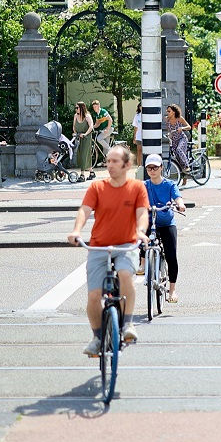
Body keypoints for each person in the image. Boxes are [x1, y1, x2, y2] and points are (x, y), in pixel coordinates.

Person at [66, 145, 149, 354]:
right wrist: (76, 230)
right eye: (108, 161)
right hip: (99, 246)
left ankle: (128, 323)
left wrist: (140, 231)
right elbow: (84, 211)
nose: (109, 165)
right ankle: (96, 337)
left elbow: (142, 214)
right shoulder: (97, 187)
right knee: (94, 295)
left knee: (125, 275)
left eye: (114, 161)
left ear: (127, 165)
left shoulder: (137, 187)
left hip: (126, 245)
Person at [143, 153, 187, 303]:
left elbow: (177, 196)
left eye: (155, 167)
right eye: (149, 168)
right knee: (140, 234)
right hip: (150, 221)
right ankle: (143, 264)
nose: (152, 170)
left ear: (161, 167)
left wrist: (180, 204)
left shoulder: (169, 184)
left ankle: (172, 290)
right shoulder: (144, 186)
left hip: (167, 223)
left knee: (171, 255)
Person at [164, 104, 192, 170]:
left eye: (169, 111)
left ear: (173, 112)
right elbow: (169, 130)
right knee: (177, 158)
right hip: (174, 140)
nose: (167, 113)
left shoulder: (179, 118)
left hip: (182, 138)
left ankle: (187, 166)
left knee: (179, 150)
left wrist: (182, 128)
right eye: (167, 111)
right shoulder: (167, 120)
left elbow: (189, 127)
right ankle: (184, 174)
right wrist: (169, 135)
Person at [71, 101, 95, 180]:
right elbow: (74, 127)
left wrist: (85, 134)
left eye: (77, 108)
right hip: (79, 137)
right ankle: (92, 172)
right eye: (75, 108)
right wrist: (75, 133)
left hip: (86, 138)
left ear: (81, 108)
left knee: (84, 155)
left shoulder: (87, 116)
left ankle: (82, 175)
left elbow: (91, 126)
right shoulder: (75, 116)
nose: (76, 109)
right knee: (81, 155)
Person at [131, 102, 144, 166]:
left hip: (146, 136)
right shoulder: (137, 116)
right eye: (140, 106)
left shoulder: (147, 115)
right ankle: (139, 165)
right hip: (139, 136)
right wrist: (134, 137)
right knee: (139, 151)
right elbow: (136, 127)